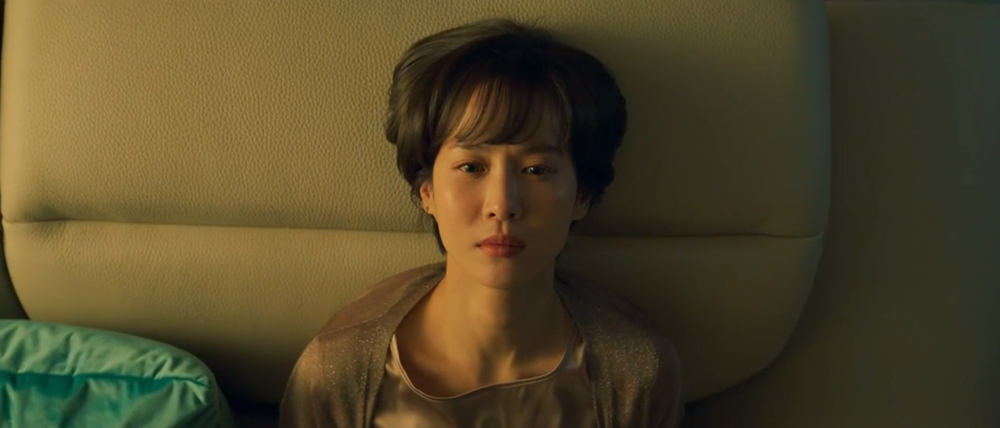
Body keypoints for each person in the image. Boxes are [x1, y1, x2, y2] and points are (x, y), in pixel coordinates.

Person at [279, 18, 682, 428]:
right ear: (427, 191)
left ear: (583, 196)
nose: (502, 205)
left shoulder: (633, 373)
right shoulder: (342, 370)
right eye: (471, 167)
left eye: (537, 170)